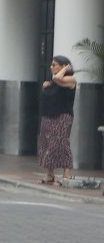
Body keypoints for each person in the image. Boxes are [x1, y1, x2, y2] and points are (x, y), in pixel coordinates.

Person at [38, 55, 76, 186]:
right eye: (51, 64)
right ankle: (50, 174)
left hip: (62, 116)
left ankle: (67, 174)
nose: (51, 67)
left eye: (54, 64)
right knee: (47, 144)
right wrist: (45, 86)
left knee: (60, 143)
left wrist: (65, 69)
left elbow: (59, 78)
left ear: (63, 66)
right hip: (48, 116)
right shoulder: (51, 82)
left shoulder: (70, 80)